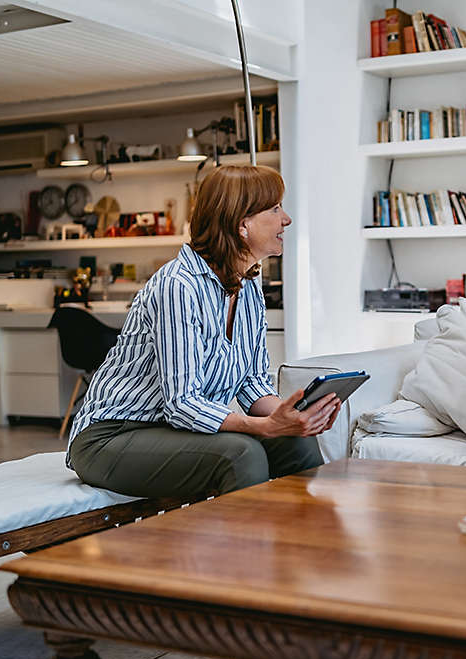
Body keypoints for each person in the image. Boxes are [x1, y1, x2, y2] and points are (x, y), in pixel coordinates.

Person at [67, 165, 340, 499]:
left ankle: (304, 544)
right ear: (242, 224)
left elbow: (252, 384)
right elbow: (182, 403)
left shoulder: (249, 289)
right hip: (111, 436)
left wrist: (293, 418)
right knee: (240, 455)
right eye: (275, 208)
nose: (286, 219)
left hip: (173, 432)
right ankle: (250, 551)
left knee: (296, 444)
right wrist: (262, 427)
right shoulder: (178, 286)